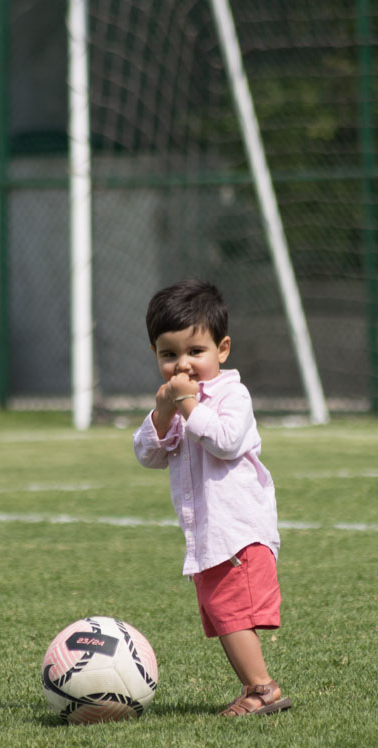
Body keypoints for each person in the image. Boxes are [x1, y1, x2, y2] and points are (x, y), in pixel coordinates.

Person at [133, 278, 291, 717]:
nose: (182, 365)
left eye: (195, 351)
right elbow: (148, 455)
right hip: (207, 535)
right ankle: (253, 687)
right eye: (169, 355)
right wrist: (163, 413)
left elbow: (224, 441)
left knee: (231, 612)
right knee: (223, 613)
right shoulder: (173, 402)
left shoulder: (232, 395)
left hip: (237, 530)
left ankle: (263, 689)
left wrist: (188, 406)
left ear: (222, 349)